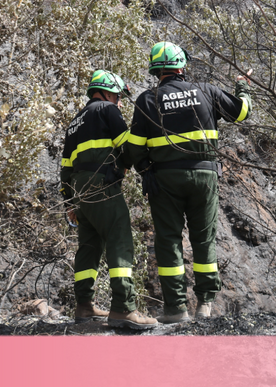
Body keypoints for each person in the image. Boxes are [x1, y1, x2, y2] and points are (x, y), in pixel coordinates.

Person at [126, 42, 252, 323]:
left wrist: (145, 167)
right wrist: (242, 85)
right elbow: (242, 112)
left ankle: (176, 309)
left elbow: (134, 148)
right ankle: (205, 304)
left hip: (164, 180)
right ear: (182, 66)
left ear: (155, 69)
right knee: (203, 239)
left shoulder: (147, 99)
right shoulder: (207, 91)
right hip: (204, 177)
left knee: (169, 241)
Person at [60, 69, 157, 330]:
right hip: (102, 184)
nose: (120, 102)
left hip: (80, 190)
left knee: (89, 246)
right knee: (119, 239)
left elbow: (65, 167)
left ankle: (84, 306)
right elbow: (129, 146)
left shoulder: (75, 121)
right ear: (103, 92)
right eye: (117, 96)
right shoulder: (107, 110)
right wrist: (124, 166)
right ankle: (124, 309)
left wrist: (70, 203)